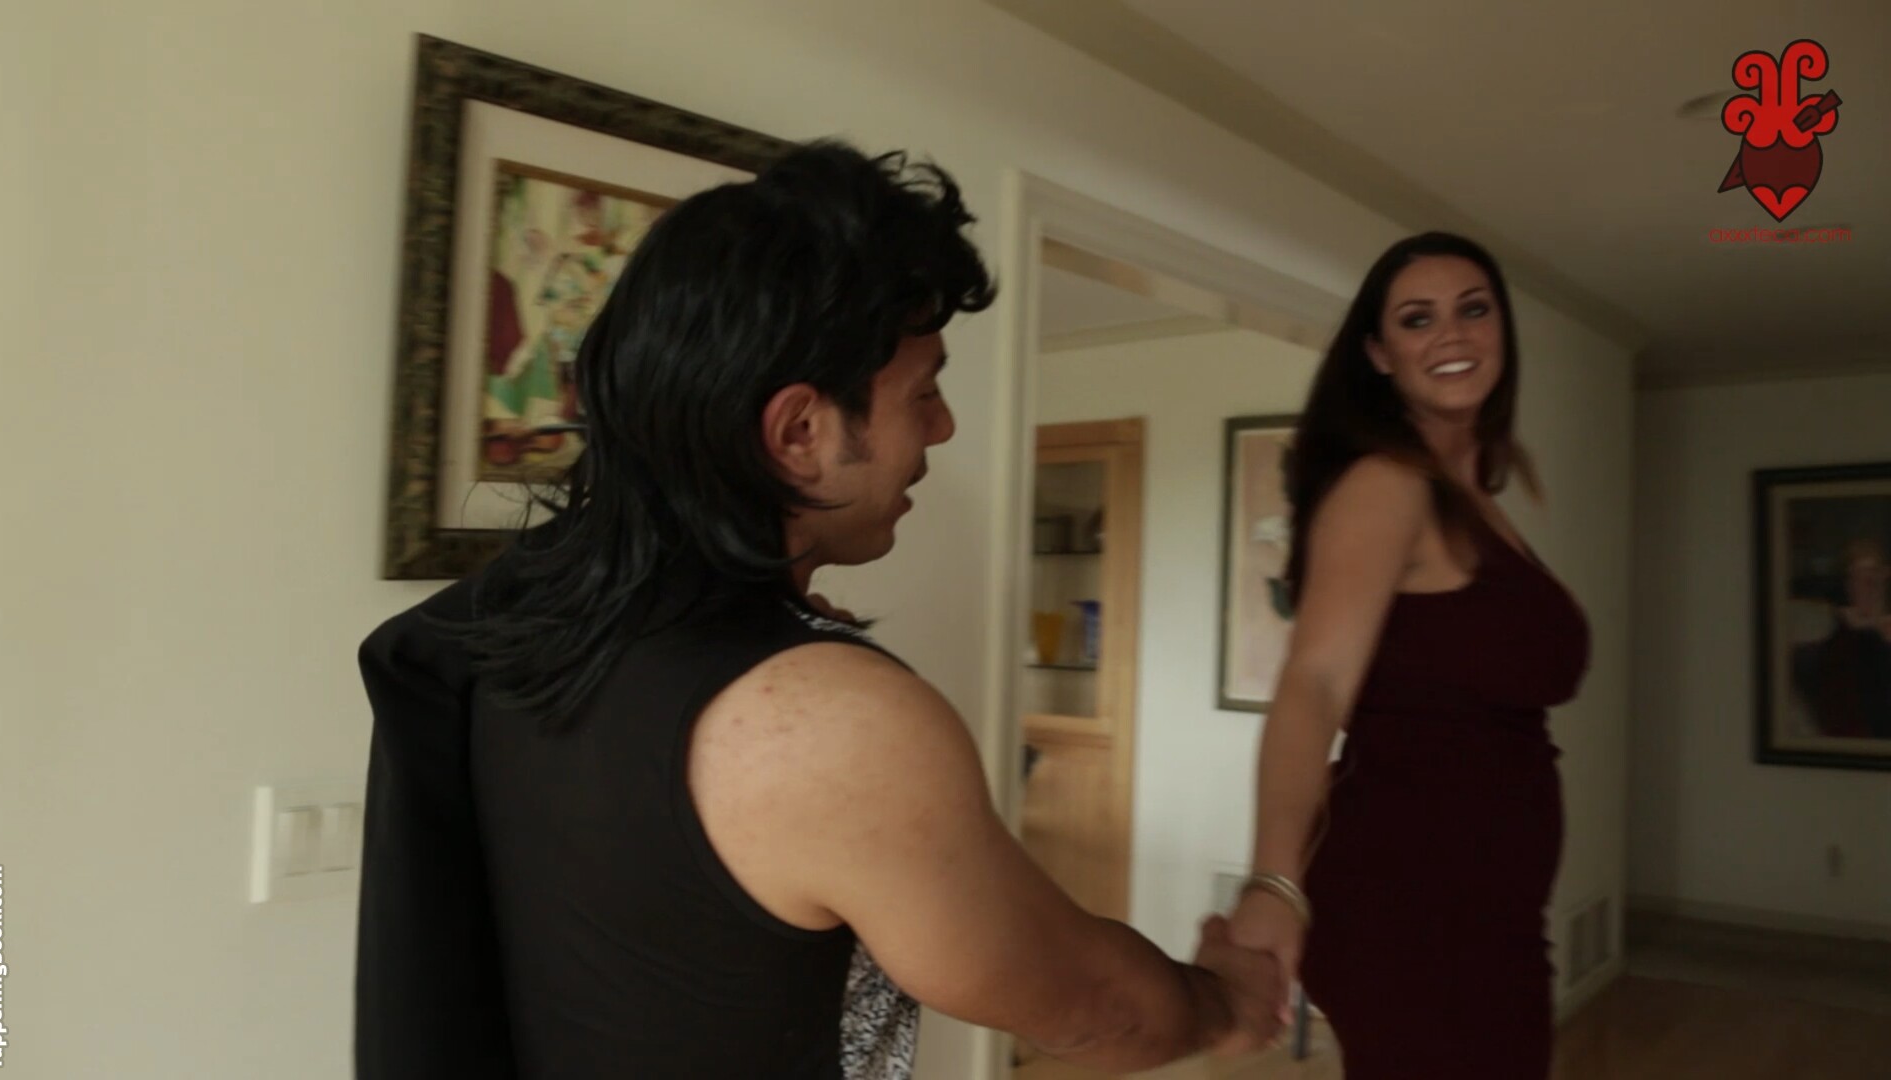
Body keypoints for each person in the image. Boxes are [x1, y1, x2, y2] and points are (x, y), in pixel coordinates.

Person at [353, 140, 1284, 1079]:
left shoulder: (522, 626)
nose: (943, 425)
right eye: (924, 392)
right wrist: (1226, 1002)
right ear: (800, 432)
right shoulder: (828, 726)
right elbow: (1096, 1010)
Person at [1224, 232, 1592, 1077]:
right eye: (1418, 319)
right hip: (1412, 909)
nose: (1451, 334)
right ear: (1380, 354)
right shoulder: (1387, 486)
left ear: (1501, 329)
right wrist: (1274, 884)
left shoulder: (1476, 498)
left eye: (1473, 309)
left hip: (1490, 913)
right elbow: (1314, 685)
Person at [1792, 537, 1891, 739]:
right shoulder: (1835, 633)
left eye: (1873, 573)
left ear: (1885, 576)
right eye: (1858, 576)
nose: (1868, 583)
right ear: (1848, 584)